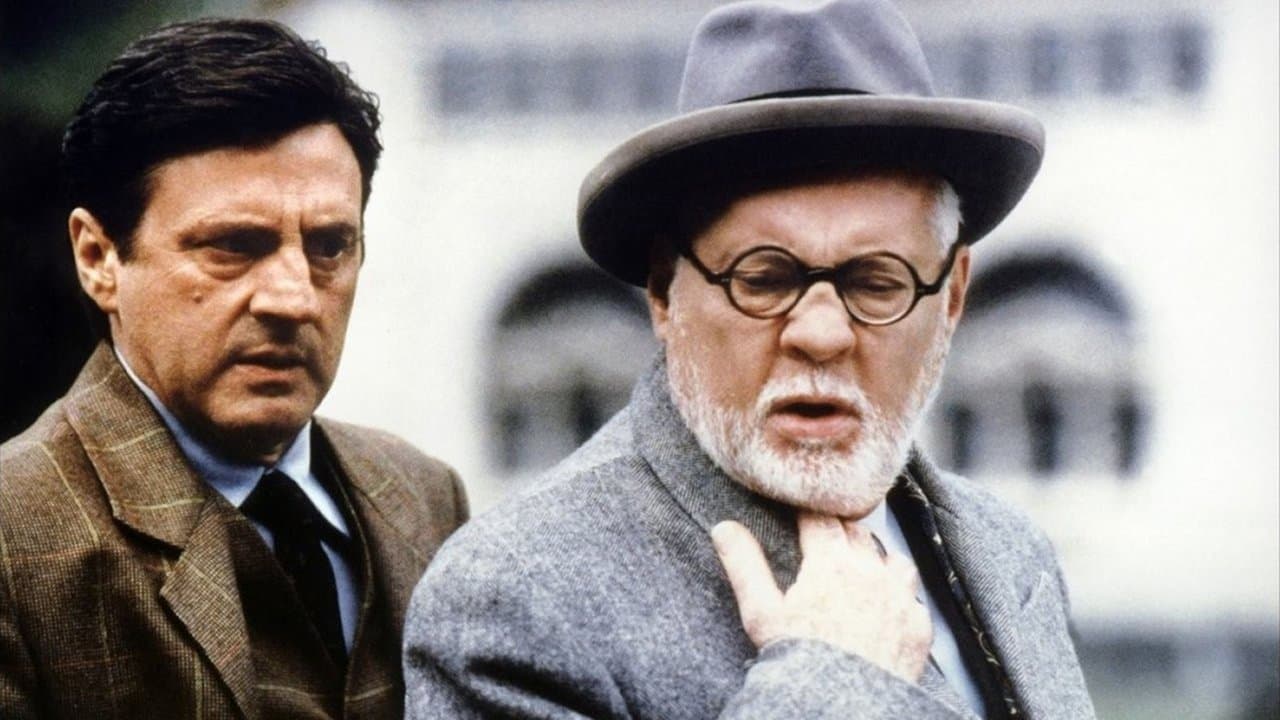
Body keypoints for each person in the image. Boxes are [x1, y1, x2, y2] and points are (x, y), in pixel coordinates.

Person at [403, 1, 1096, 718]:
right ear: (665, 292)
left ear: (951, 297)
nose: (821, 334)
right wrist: (833, 684)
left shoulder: (1013, 554)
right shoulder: (515, 597)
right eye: (763, 279)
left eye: (876, 282)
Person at [0, 18, 467, 719]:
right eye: (233, 246)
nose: (293, 298)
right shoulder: (13, 539)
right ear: (98, 259)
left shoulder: (425, 498)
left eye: (330, 246)